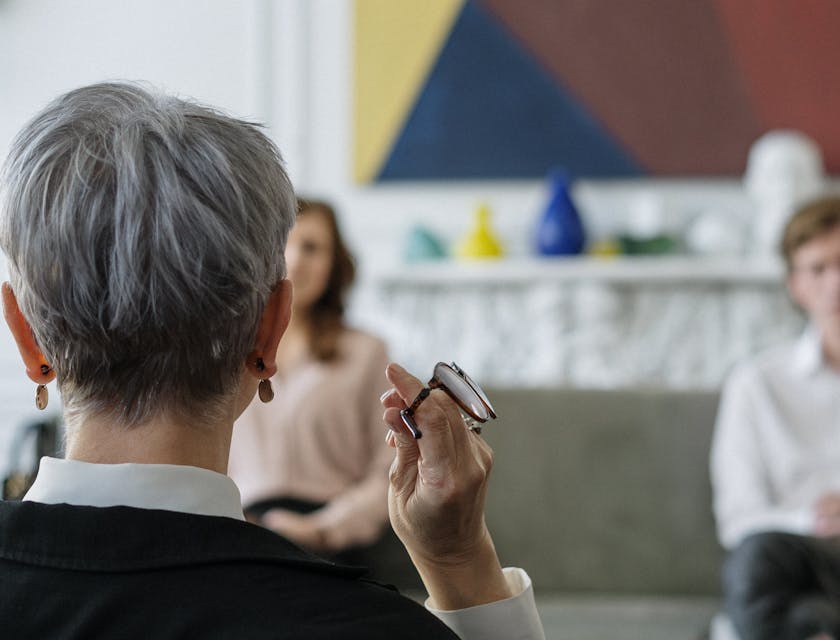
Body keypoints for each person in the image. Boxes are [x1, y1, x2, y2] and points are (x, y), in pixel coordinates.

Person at [0, 82, 545, 639]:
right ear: (270, 332)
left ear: (26, 334)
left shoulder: (362, 353)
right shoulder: (374, 629)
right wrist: (459, 563)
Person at [229, 198, 396, 570]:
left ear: (335, 264)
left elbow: (389, 471)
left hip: (333, 541)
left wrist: (324, 529)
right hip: (239, 534)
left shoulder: (368, 352)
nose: (296, 258)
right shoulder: (226, 351)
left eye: (312, 247)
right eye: (284, 243)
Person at [711, 196, 840, 640]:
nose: (836, 283)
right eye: (819, 269)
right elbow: (738, 520)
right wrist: (814, 520)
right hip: (797, 560)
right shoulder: (756, 384)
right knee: (759, 560)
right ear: (795, 285)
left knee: (806, 618)